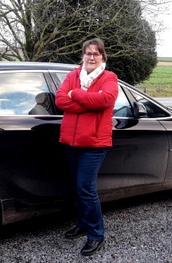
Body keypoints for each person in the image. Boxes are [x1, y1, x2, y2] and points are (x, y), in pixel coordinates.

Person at [55, 38, 118, 256]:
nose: (91, 57)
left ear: (102, 57)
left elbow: (107, 99)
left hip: (94, 142)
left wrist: (77, 94)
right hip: (71, 141)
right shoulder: (73, 75)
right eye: (88, 53)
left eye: (96, 54)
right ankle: (83, 224)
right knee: (78, 186)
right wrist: (89, 103)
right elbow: (60, 100)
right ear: (83, 55)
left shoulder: (109, 77)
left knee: (86, 188)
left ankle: (96, 234)